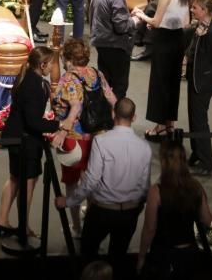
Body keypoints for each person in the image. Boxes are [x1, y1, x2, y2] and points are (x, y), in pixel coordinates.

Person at [55, 98, 151, 276]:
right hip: (129, 213)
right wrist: (134, 208)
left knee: (88, 259)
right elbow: (145, 187)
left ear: (113, 114)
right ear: (134, 117)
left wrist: (68, 201)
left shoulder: (102, 142)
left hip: (103, 211)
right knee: (119, 261)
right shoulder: (144, 147)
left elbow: (90, 181)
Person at [53, 38, 118, 236]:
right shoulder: (96, 74)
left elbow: (75, 107)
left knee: (72, 184)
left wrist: (63, 130)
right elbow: (112, 99)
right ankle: (90, 222)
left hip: (74, 138)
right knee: (91, 181)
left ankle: (77, 227)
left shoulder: (67, 79)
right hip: (96, 137)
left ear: (70, 58)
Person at [0, 46, 61, 238]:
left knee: (14, 178)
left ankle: (2, 221)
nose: (52, 67)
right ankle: (23, 227)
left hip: (14, 135)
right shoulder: (36, 86)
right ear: (42, 64)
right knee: (28, 183)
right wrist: (58, 124)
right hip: (26, 141)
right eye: (51, 63)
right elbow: (34, 122)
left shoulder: (25, 77)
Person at [136, 139, 212, 279]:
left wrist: (141, 257)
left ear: (164, 162)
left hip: (163, 254)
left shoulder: (156, 192)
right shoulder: (196, 187)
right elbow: (207, 220)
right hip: (189, 253)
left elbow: (149, 229)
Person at [134, 0, 190, 139]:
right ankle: (169, 124)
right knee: (173, 84)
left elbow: (156, 22)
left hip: (164, 41)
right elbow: (186, 22)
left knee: (160, 83)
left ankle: (159, 126)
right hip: (178, 40)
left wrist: (141, 15)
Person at [184, 0, 212, 175]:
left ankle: (206, 162)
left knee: (200, 121)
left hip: (204, 81)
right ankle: (196, 153)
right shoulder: (199, 27)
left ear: (205, 10)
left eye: (195, 8)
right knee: (193, 118)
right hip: (194, 78)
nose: (192, 10)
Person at [90, 0, 138, 100]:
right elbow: (121, 26)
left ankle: (105, 118)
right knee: (119, 86)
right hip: (114, 44)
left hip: (101, 40)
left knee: (105, 83)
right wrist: (134, 21)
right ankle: (117, 117)